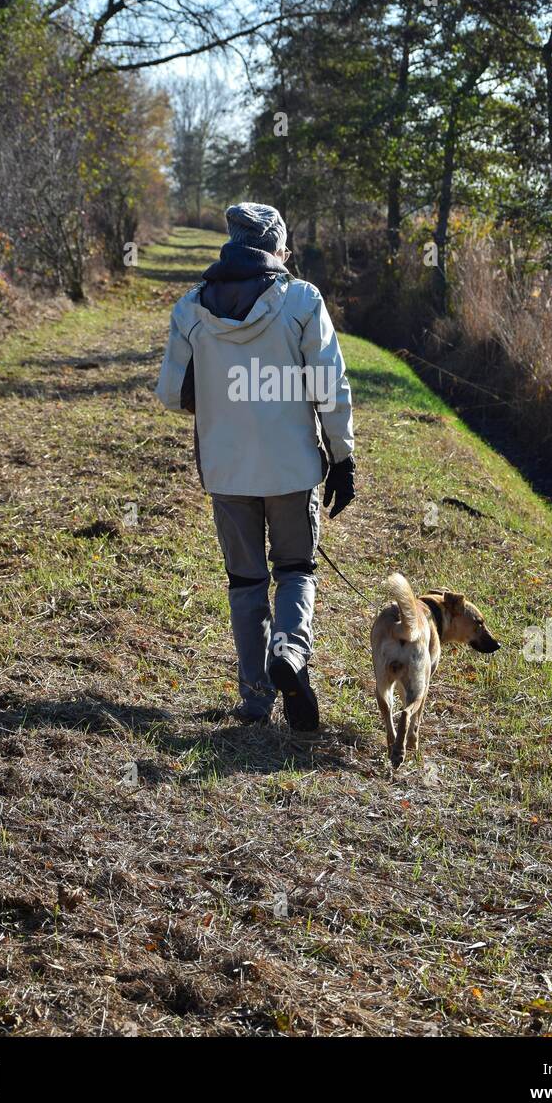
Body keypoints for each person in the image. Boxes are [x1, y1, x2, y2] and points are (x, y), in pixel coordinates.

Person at [155, 203, 355, 731]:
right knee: (296, 570)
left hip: (226, 471)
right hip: (293, 470)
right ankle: (290, 653)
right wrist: (342, 457)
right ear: (277, 248)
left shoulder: (191, 307)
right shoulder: (302, 301)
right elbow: (330, 387)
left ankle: (254, 700)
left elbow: (172, 394)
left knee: (245, 580)